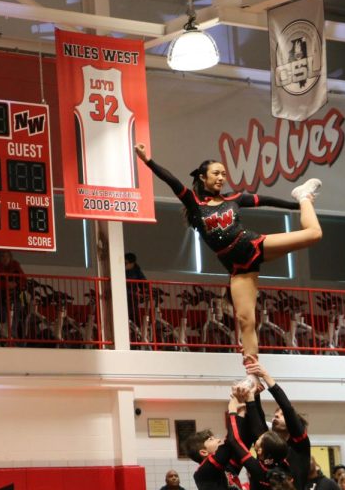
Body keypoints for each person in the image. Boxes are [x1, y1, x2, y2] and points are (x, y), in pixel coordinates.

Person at [134, 144, 322, 371]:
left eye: (224, 174)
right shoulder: (195, 204)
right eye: (216, 173)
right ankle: (252, 373)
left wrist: (298, 205)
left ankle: (303, 196)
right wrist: (147, 160)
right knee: (246, 321)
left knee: (313, 234)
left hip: (253, 245)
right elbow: (171, 181)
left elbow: (266, 200)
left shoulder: (233, 199)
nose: (221, 177)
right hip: (238, 267)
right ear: (203, 178)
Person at [0, 249, 24, 326]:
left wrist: (16, 283)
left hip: (13, 296)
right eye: (2, 256)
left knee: (17, 311)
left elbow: (23, 278)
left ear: (10, 257)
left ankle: (12, 333)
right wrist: (4, 284)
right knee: (3, 315)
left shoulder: (15, 265)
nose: (5, 258)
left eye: (7, 256)